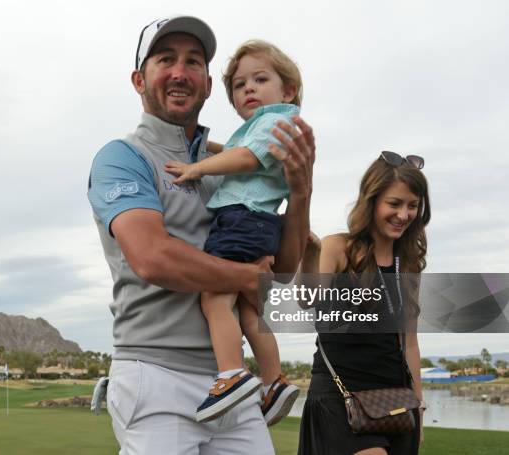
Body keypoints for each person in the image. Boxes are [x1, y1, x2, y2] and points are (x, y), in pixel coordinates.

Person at [87, 15, 315, 455]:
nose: (179, 71)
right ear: (139, 79)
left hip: (231, 385)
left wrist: (301, 193)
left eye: (194, 62)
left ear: (208, 85)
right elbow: (153, 258)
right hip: (156, 374)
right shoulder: (122, 157)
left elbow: (284, 269)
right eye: (165, 59)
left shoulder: (227, 173)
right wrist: (247, 280)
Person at [163, 40, 303, 425]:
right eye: (240, 85)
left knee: (214, 298)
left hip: (241, 218)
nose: (249, 89)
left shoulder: (276, 121)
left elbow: (246, 158)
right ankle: (273, 380)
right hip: (256, 222)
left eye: (260, 79)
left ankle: (230, 375)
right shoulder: (264, 128)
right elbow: (243, 152)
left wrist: (197, 169)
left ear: (287, 90)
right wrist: (206, 146)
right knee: (247, 308)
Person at [297, 151, 430, 455]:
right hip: (341, 393)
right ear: (371, 202)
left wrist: (418, 409)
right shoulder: (338, 247)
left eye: (412, 206)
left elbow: (409, 343)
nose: (404, 215)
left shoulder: (408, 264)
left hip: (395, 399)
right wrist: (309, 257)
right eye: (394, 204)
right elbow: (307, 300)